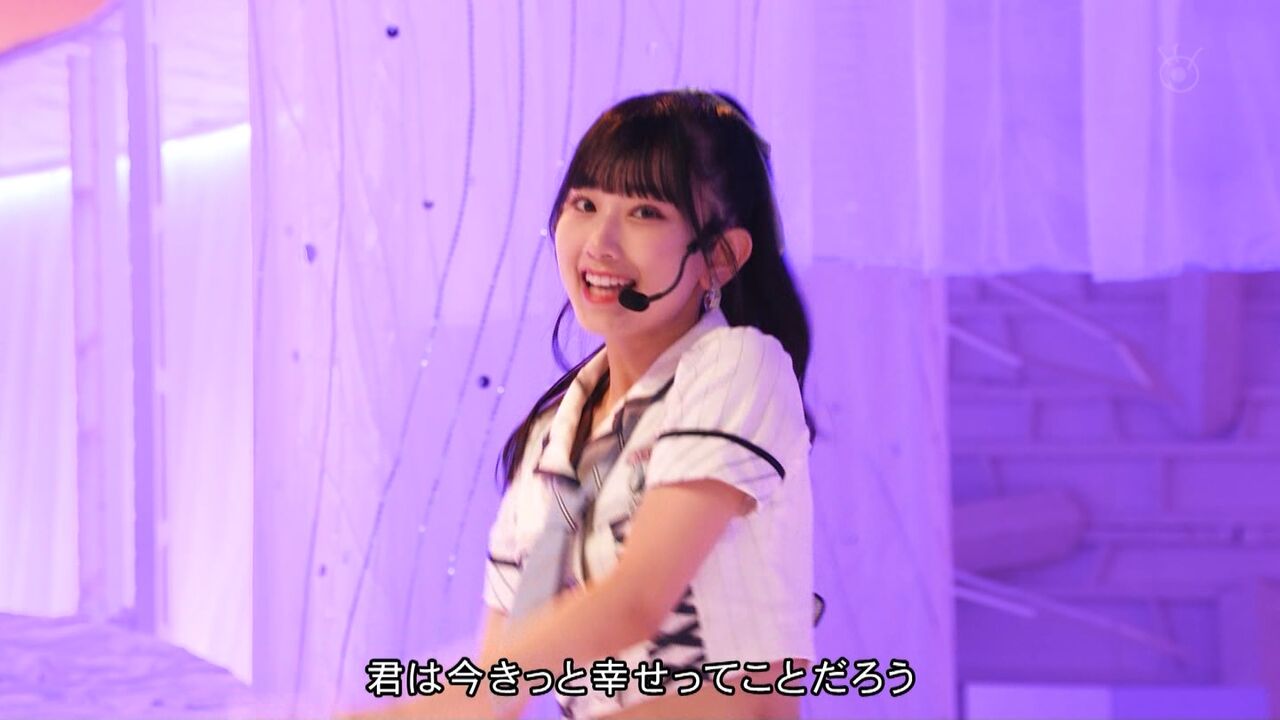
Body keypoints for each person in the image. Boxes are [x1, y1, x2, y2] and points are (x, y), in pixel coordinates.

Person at [359, 88, 816, 719]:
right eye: (584, 203)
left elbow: (637, 601)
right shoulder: (555, 434)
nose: (600, 241)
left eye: (646, 212)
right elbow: (505, 676)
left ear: (721, 256)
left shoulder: (738, 367)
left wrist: (415, 713)